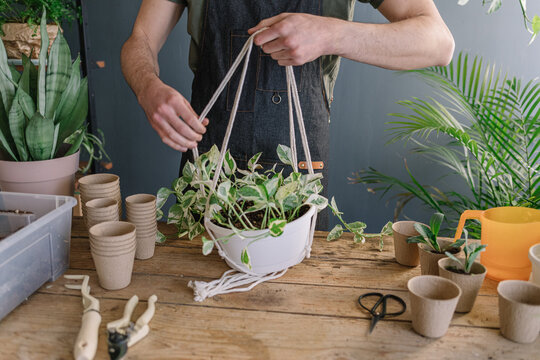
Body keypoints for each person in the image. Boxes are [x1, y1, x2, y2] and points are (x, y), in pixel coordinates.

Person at [121, 0, 454, 229]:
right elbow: (141, 39)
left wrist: (331, 34)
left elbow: (438, 42)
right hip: (209, 165)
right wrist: (146, 86)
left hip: (300, 166)